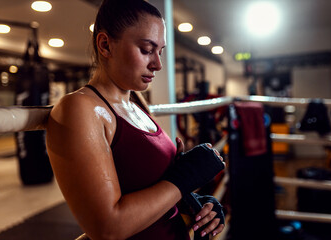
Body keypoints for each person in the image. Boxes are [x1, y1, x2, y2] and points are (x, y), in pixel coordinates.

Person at [46, 0, 225, 239]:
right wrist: (184, 178)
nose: (158, 64)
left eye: (159, 51)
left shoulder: (137, 103)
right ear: (105, 45)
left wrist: (194, 201)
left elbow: (157, 189)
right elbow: (108, 228)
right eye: (146, 50)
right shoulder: (80, 108)